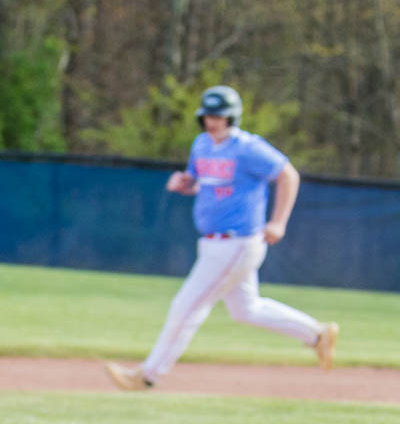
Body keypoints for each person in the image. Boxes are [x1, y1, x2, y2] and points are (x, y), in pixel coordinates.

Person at [105, 84, 337, 390]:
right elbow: (203, 183)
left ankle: (148, 375)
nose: (212, 121)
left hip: (237, 243)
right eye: (208, 116)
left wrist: (278, 222)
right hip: (212, 243)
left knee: (186, 307)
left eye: (219, 116)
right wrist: (184, 184)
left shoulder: (248, 148)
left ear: (232, 117)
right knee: (246, 310)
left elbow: (288, 175)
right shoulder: (201, 145)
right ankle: (316, 334)